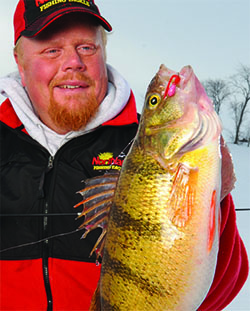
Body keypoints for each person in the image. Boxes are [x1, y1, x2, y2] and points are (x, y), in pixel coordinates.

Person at [0, 0, 248, 310]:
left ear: (103, 54)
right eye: (52, 50)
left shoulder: (147, 147)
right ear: (20, 63)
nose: (73, 62)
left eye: (87, 47)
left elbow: (219, 291)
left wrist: (214, 202)